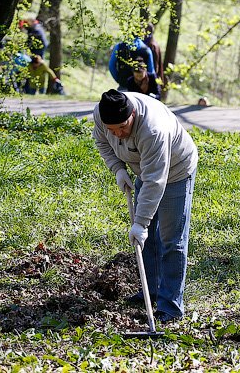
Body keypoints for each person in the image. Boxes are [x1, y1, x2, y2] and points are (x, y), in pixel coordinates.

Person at [93, 89, 197, 323]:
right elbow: (102, 142)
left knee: (171, 239)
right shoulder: (102, 115)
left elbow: (154, 181)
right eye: (113, 129)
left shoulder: (153, 129)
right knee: (147, 239)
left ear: (133, 113)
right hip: (146, 168)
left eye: (122, 126)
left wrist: (140, 223)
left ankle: (170, 306)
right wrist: (118, 168)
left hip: (175, 172)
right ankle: (150, 292)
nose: (118, 134)